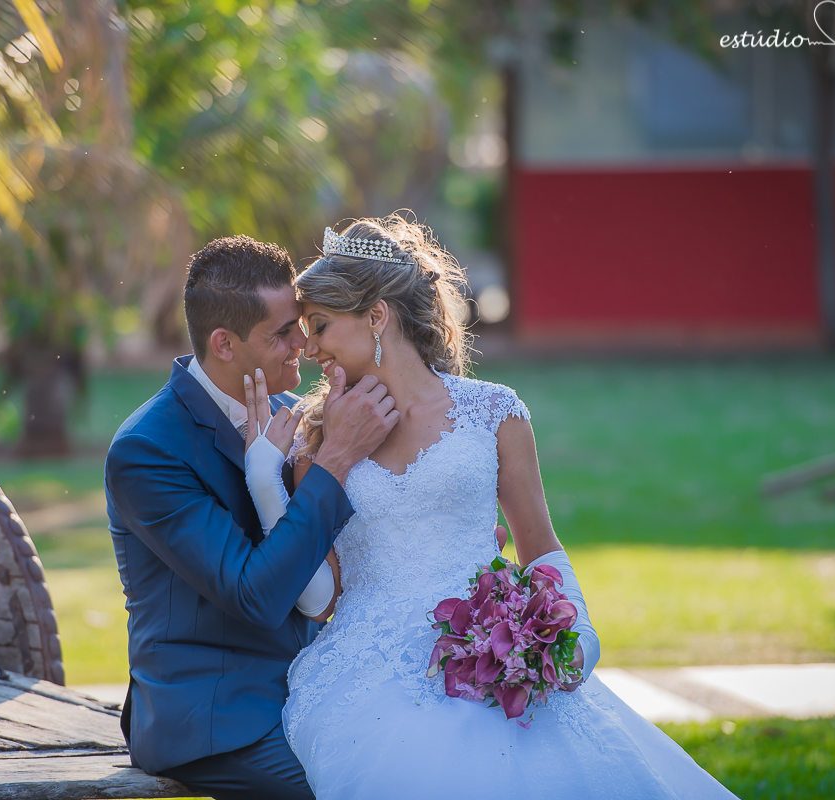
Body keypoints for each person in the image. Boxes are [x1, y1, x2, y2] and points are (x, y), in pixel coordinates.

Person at [241, 216, 740, 799]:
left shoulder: (494, 413)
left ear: (376, 317)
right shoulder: (318, 438)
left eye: (320, 326)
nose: (309, 346)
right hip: (369, 674)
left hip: (490, 649)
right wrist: (266, 482)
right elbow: (321, 599)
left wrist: (572, 631)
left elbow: (539, 545)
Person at [104, 235, 399, 800]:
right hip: (215, 717)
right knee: (365, 787)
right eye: (282, 332)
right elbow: (256, 596)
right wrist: (334, 460)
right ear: (224, 343)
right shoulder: (147, 451)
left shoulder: (294, 414)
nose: (304, 345)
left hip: (317, 682)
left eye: (303, 325)